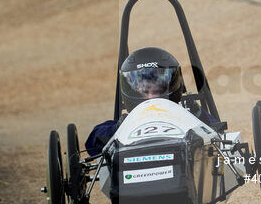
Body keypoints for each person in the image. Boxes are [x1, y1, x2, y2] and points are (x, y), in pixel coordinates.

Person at [85, 47, 217, 156]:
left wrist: (196, 113)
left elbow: (216, 130)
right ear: (132, 93)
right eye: (146, 92)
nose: (152, 98)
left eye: (157, 91)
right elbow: (92, 144)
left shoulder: (185, 114)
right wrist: (118, 128)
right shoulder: (127, 122)